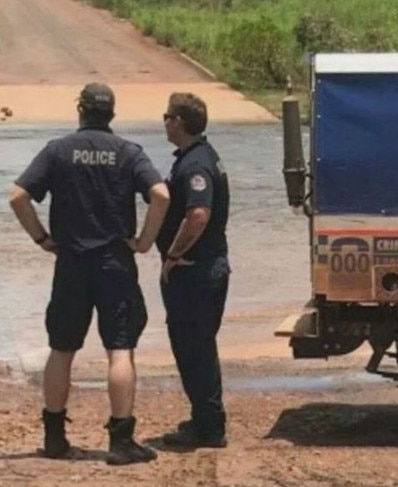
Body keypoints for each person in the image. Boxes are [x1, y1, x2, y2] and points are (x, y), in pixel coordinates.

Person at [9, 83, 169, 465]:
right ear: (112, 113)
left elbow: (17, 196)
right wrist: (145, 242)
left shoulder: (58, 151)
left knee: (62, 349)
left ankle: (54, 437)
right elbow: (161, 194)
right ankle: (121, 440)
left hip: (71, 263)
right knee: (120, 349)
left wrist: (41, 238)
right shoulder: (129, 153)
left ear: (80, 110)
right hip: (115, 263)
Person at [156, 92, 231, 448]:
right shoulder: (198, 157)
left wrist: (172, 254)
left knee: (193, 347)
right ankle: (205, 419)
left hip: (195, 271)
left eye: (167, 116)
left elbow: (198, 215)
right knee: (198, 346)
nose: (164, 121)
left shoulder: (196, 165)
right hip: (205, 268)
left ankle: (209, 426)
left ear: (179, 122)